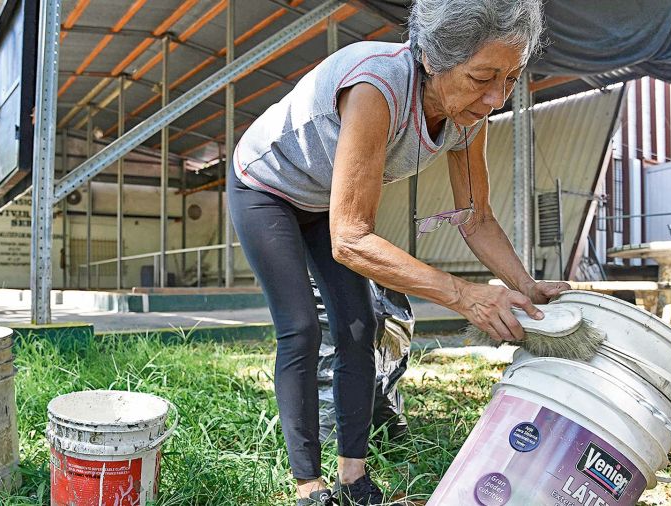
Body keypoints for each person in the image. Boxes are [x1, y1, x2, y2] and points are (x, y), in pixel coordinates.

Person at [227, 1, 570, 504]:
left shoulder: (467, 117)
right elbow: (351, 239)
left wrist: (525, 285)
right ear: (433, 59)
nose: (496, 98)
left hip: (325, 198)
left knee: (361, 325)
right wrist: (464, 295)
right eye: (482, 78)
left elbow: (474, 216)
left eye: (511, 78)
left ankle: (353, 475)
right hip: (267, 186)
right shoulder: (376, 89)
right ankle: (308, 486)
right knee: (300, 327)